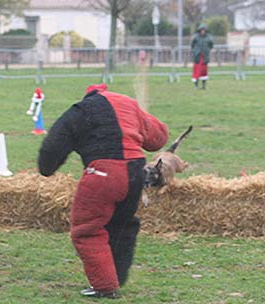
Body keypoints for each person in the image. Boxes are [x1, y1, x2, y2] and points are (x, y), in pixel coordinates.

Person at [38, 83, 168, 299]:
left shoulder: (80, 111)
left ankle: (105, 286)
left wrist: (46, 169)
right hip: (136, 172)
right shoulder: (127, 103)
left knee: (86, 229)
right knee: (122, 225)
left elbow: (53, 146)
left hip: (103, 173)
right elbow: (159, 138)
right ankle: (115, 276)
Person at [191, 23, 213, 90]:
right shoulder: (196, 37)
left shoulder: (208, 37)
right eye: (202, 30)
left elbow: (211, 45)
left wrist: (207, 51)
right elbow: (192, 45)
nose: (203, 31)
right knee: (196, 72)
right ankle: (196, 86)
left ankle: (203, 86)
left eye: (204, 30)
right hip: (197, 57)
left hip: (204, 57)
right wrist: (195, 51)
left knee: (204, 72)